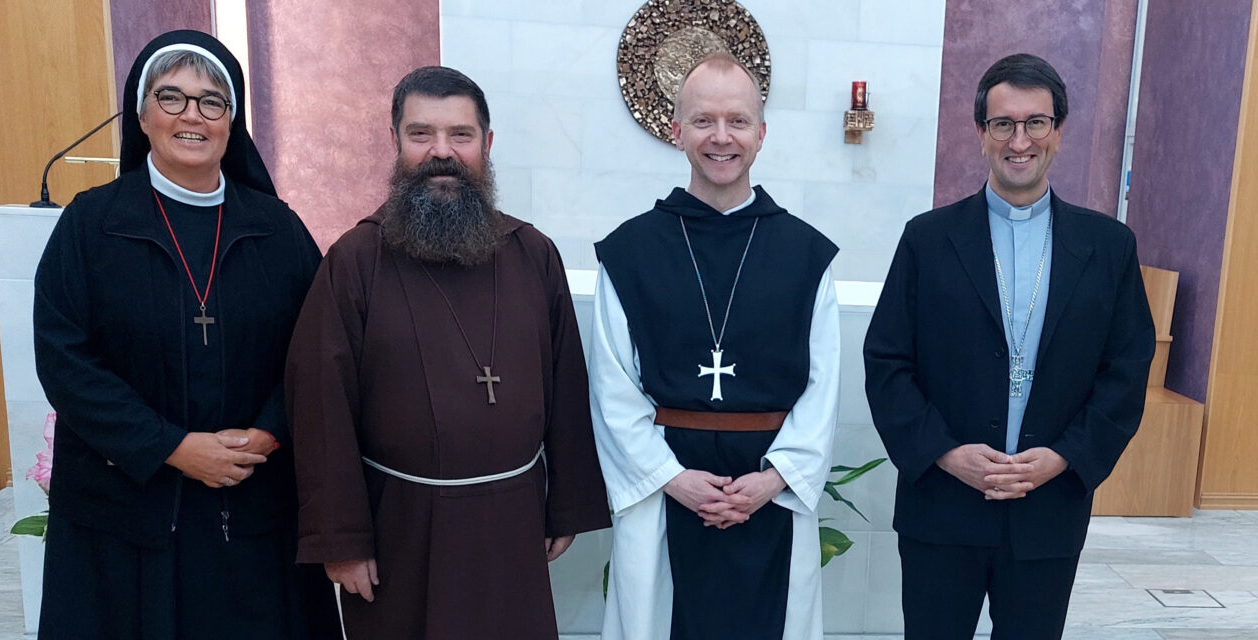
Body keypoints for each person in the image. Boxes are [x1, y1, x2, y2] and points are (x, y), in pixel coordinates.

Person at [285, 65, 611, 639]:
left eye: (460, 135)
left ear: (486, 144)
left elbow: (566, 384)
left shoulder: (532, 254)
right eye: (421, 135)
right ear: (395, 142)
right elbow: (321, 405)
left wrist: (565, 505)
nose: (442, 152)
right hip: (400, 530)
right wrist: (342, 540)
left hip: (513, 522)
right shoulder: (357, 259)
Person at [33, 29, 339, 640]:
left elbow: (318, 349)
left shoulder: (276, 228)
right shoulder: (92, 225)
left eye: (211, 101)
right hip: (128, 510)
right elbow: (66, 360)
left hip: (251, 499)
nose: (191, 116)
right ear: (142, 114)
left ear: (232, 120)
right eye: (171, 98)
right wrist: (170, 447)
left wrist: (270, 432)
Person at [863, 53, 1156, 640]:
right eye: (1003, 124)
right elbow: (887, 363)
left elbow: (1125, 371)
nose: (1019, 140)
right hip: (942, 507)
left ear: (1059, 133)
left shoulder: (1109, 247)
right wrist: (947, 454)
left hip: (1049, 508)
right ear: (981, 134)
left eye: (1035, 123)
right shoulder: (927, 240)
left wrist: (1065, 456)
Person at [590, 52, 841, 640]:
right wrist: (673, 478)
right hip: (666, 494)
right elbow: (612, 387)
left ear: (761, 134)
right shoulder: (629, 253)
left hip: (769, 494)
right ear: (675, 131)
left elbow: (823, 385)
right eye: (703, 121)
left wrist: (774, 479)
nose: (721, 137)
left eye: (737, 121)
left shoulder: (808, 255)